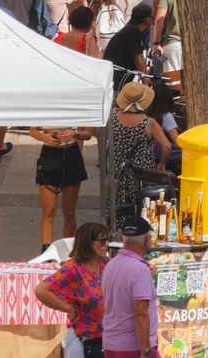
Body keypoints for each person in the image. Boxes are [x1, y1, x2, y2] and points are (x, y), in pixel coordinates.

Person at [33, 221, 108, 358]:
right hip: (82, 341)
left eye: (107, 240)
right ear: (88, 243)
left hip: (107, 339)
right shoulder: (72, 268)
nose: (107, 244)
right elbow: (41, 290)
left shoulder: (106, 263)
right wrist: (68, 308)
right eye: (102, 241)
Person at [107, 81, 169, 229]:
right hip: (141, 174)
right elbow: (167, 146)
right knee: (143, 207)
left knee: (117, 206)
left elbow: (101, 139)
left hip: (117, 172)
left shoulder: (112, 117)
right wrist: (162, 163)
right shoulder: (148, 122)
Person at [102, 216, 158, 358]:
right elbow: (141, 313)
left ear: (122, 239)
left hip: (111, 344)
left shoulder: (110, 265)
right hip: (133, 348)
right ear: (147, 240)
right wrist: (145, 351)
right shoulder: (140, 270)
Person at [30, 119, 92, 247]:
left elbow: (88, 133)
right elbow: (32, 130)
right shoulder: (44, 104)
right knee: (49, 209)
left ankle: (69, 250)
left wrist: (75, 134)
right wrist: (44, 137)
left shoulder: (76, 103)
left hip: (72, 153)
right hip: (49, 154)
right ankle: (46, 249)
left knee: (69, 211)